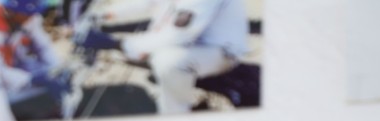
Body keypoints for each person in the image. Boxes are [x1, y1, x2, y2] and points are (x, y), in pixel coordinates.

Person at [74, 0, 249, 113]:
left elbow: (179, 34)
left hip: (219, 52)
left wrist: (117, 44)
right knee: (151, 51)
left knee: (167, 62)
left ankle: (175, 117)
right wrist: (105, 13)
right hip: (192, 43)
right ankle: (176, 80)